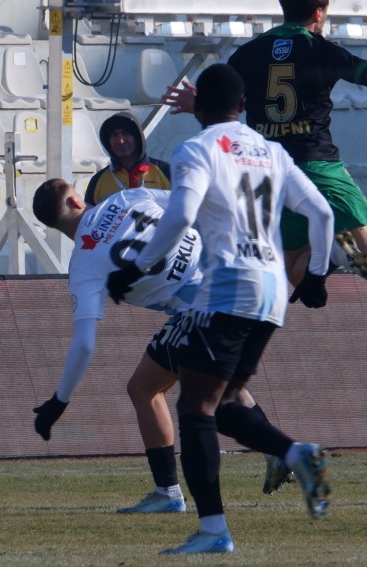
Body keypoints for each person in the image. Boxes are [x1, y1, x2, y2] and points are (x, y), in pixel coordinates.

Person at [161, 0, 367, 371]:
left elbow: (228, 102)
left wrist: (197, 104)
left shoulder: (246, 55)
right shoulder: (320, 50)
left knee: (293, 268)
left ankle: (337, 257)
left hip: (270, 174)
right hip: (319, 166)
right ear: (319, 12)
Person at [107, 63, 336, 555]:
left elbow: (182, 214)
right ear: (245, 106)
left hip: (228, 288)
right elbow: (322, 212)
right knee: (225, 403)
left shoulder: (198, 148)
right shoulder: (272, 152)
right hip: (272, 294)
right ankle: (295, 453)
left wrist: (139, 267)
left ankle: (213, 530)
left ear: (199, 109)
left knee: (194, 409)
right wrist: (315, 273)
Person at [28, 177, 296, 516]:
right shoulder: (125, 197)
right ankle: (277, 453)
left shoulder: (82, 266)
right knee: (209, 380)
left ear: (52, 226)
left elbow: (84, 345)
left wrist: (58, 401)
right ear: (77, 202)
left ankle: (171, 493)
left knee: (145, 389)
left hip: (203, 305)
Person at [82, 111, 172, 207]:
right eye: (114, 135)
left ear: (137, 137)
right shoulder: (97, 181)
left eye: (126, 133)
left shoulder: (166, 171)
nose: (120, 141)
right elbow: (89, 219)